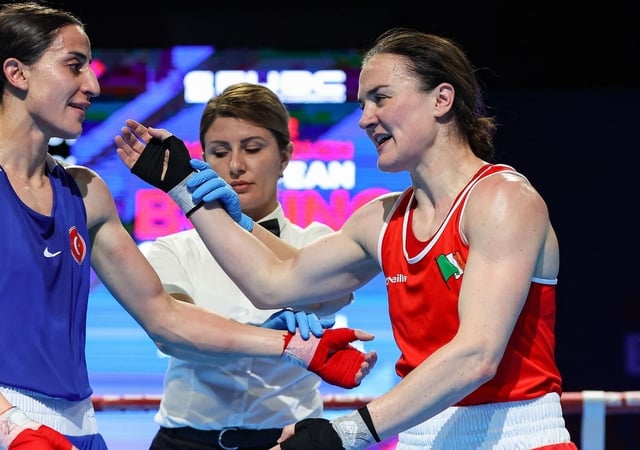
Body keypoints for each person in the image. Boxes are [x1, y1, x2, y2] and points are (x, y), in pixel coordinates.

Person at [0, 3, 376, 450]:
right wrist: (8, 426)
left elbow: (164, 317)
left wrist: (295, 348)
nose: (92, 84)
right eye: (74, 65)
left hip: (79, 430)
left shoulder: (85, 191)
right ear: (17, 73)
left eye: (90, 67)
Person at [115, 27, 577, 450]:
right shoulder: (380, 217)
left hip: (515, 436)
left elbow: (475, 356)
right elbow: (273, 283)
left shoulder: (501, 199)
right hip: (421, 436)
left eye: (380, 98)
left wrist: (345, 433)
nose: (364, 119)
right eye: (362, 104)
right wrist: (184, 188)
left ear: (441, 99)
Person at [145, 82, 354, 450]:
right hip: (184, 443)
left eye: (253, 148)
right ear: (203, 161)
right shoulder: (171, 250)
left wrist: (243, 225)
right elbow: (177, 339)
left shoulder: (317, 243)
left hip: (287, 441)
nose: (236, 165)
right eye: (219, 152)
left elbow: (336, 295)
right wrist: (273, 340)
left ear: (285, 156)